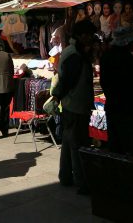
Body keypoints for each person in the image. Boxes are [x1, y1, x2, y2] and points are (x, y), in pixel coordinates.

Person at [52, 20, 96, 194]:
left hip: (73, 105)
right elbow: (67, 81)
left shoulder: (75, 52)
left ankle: (66, 176)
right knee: (78, 144)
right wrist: (57, 97)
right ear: (80, 35)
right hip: (75, 105)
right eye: (89, 35)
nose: (91, 38)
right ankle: (81, 182)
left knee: (69, 142)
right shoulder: (74, 55)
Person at [100, 26, 133, 157]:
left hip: (113, 107)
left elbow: (104, 83)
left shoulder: (106, 57)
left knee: (115, 147)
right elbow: (132, 85)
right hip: (129, 109)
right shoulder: (128, 59)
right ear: (128, 43)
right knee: (132, 148)